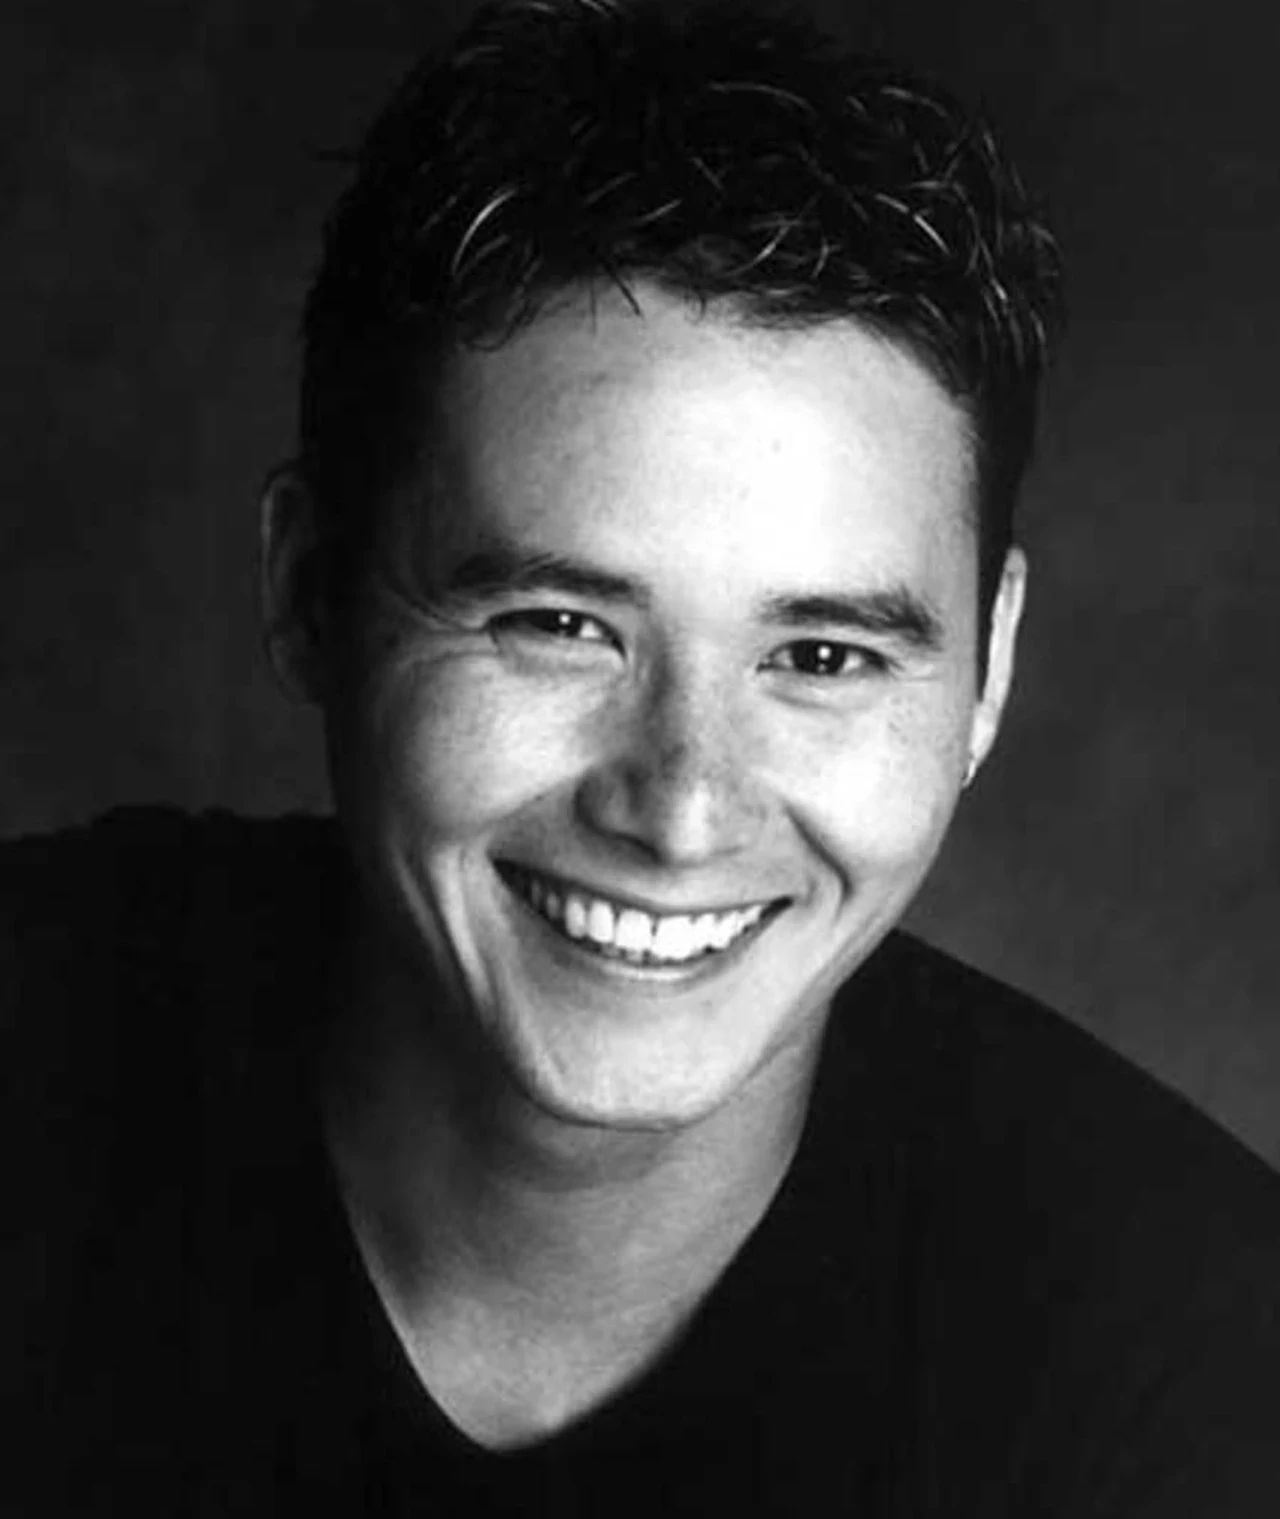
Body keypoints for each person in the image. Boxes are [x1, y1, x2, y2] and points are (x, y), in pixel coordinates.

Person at [4, 1, 1279, 1513]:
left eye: (823, 657)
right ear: (307, 591)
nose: (679, 809)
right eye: (559, 625)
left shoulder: (1200, 1357)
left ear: (989, 669)